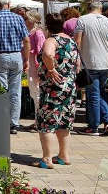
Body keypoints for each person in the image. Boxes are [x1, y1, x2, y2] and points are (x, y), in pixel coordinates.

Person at [34, 13, 80, 169]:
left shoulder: (51, 40)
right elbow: (77, 64)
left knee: (46, 121)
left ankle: (47, 159)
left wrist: (51, 68)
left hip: (53, 87)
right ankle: (63, 155)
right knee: (64, 121)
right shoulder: (71, 41)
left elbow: (48, 53)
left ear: (48, 26)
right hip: (69, 87)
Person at [0, 0, 31, 134]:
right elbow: (27, 40)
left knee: (2, 90)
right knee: (16, 91)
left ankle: (2, 121)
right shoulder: (18, 18)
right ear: (9, 4)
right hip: (16, 55)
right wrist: (26, 59)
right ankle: (14, 123)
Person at [73, 1, 108, 136]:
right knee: (101, 93)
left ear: (88, 8)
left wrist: (77, 61)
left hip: (90, 63)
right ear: (101, 9)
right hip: (106, 63)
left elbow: (77, 42)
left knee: (93, 95)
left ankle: (93, 126)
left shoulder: (82, 20)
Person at [25, 11, 45, 126]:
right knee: (34, 91)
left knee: (37, 91)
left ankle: (39, 120)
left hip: (35, 65)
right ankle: (38, 119)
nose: (25, 20)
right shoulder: (31, 32)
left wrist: (39, 68)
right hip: (31, 63)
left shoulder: (38, 33)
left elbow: (41, 51)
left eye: (27, 18)